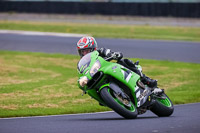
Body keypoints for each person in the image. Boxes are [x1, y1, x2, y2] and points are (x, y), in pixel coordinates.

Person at [77, 36, 157, 88]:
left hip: (113, 69)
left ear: (93, 48)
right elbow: (81, 73)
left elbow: (108, 52)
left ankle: (145, 79)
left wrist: (114, 54)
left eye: (86, 50)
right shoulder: (82, 63)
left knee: (124, 61)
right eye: (82, 52)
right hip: (99, 78)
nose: (84, 53)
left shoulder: (100, 51)